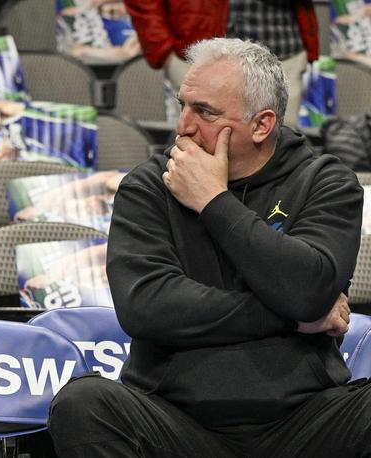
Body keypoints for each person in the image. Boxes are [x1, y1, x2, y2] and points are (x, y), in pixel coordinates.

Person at [48, 38, 371, 457]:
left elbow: (308, 289)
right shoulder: (149, 185)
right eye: (182, 104)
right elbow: (146, 305)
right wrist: (293, 319)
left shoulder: (326, 182)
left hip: (304, 418)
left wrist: (213, 201)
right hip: (173, 418)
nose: (183, 125)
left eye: (205, 112)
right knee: (83, 404)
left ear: (262, 124)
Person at [124, 0, 319, 127]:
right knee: (198, 146)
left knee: (278, 147)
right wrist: (163, 51)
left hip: (282, 53)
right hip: (196, 51)